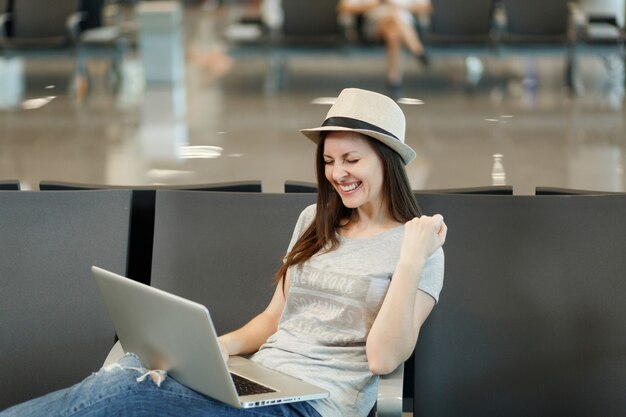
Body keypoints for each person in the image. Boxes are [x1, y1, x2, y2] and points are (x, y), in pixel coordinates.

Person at [0, 88, 446, 417]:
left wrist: (408, 259)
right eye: (329, 162)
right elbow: (274, 319)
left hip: (315, 404)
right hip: (264, 381)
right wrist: (215, 350)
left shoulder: (419, 248)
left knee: (131, 395)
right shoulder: (314, 220)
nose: (337, 174)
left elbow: (384, 360)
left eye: (351, 160)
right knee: (133, 367)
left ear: (387, 160)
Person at [338, 0, 432, 93]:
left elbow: (426, 7)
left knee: (393, 35)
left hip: (403, 25)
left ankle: (393, 80)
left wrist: (398, 6)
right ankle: (418, 50)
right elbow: (344, 7)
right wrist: (376, 4)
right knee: (393, 15)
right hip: (376, 25)